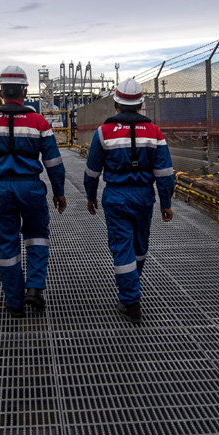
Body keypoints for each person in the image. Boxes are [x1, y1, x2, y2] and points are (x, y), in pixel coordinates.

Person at [0, 65, 67, 318]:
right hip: (31, 187)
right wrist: (59, 192)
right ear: (25, 91)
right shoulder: (39, 121)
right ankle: (34, 289)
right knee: (37, 236)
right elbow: (54, 162)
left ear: (1, 91)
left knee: (6, 244)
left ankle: (14, 302)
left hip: (0, 188)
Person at [83, 78, 174, 324]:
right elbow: (165, 172)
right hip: (144, 196)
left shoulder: (104, 132)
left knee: (122, 246)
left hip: (116, 196)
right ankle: (132, 284)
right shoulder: (154, 132)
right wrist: (166, 202)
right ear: (141, 104)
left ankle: (131, 300)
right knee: (140, 244)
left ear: (116, 103)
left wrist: (91, 196)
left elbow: (92, 171)